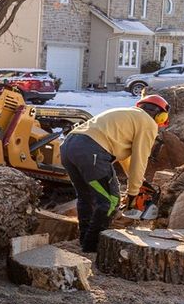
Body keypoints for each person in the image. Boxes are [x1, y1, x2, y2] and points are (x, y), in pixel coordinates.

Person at [60, 95, 168, 253]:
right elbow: (140, 159)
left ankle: (84, 239)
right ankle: (92, 245)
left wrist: (139, 183)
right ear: (160, 116)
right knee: (110, 201)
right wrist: (133, 193)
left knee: (86, 197)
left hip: (68, 147)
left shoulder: (127, 115)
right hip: (92, 151)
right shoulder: (148, 123)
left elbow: (127, 161)